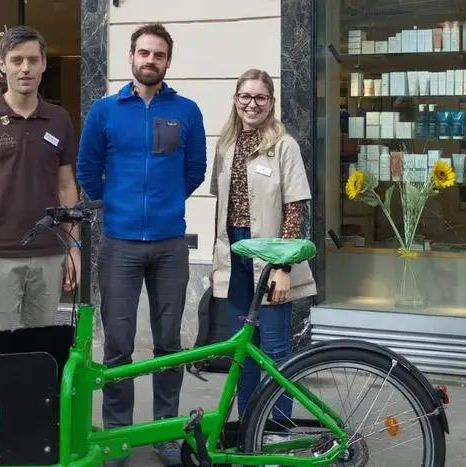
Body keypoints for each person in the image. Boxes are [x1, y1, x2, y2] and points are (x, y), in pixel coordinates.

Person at [77, 23, 207, 467]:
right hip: (119, 244)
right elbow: (87, 168)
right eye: (144, 53)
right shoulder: (105, 111)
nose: (151, 60)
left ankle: (166, 433)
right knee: (117, 343)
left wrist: (166, 203)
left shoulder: (186, 111)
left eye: (159, 54)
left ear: (168, 61)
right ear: (131, 57)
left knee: (169, 343)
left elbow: (195, 169)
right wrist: (117, 205)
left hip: (170, 244)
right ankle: (117, 434)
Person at [0, 25, 81, 332]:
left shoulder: (59, 119)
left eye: (33, 60)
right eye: (17, 60)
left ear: (43, 64)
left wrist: (73, 248)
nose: (25, 68)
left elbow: (66, 187)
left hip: (49, 252)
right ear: (2, 64)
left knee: (42, 343)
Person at [209, 68, 314, 425]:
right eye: (245, 96)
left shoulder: (284, 145)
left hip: (270, 258)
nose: (252, 104)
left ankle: (279, 430)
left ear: (271, 102)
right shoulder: (225, 145)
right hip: (235, 258)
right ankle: (249, 428)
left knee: (275, 349)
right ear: (235, 99)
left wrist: (282, 268)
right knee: (244, 350)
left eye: (260, 97)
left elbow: (294, 208)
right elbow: (221, 205)